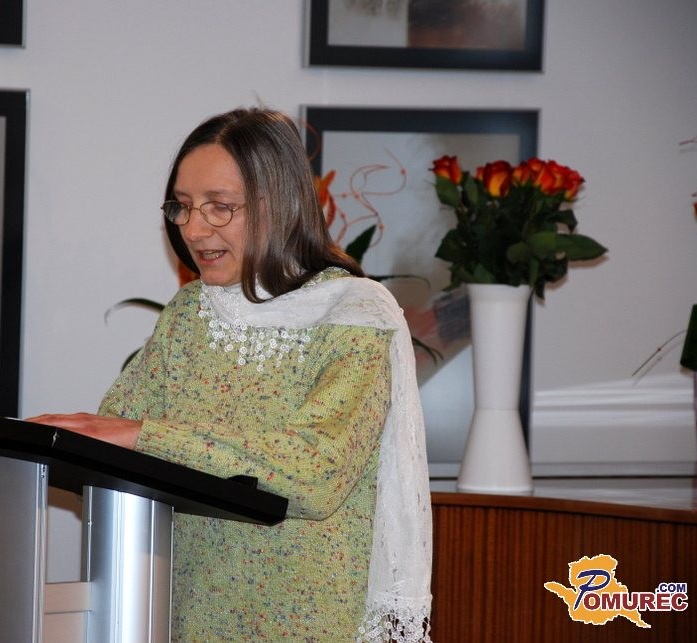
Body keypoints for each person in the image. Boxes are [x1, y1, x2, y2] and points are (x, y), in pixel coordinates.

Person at [29, 107, 432, 642]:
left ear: (279, 204)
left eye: (220, 207)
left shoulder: (353, 313)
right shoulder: (188, 313)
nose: (194, 229)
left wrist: (147, 437)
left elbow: (315, 472)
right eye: (183, 206)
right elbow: (110, 440)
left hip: (302, 624)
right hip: (177, 615)